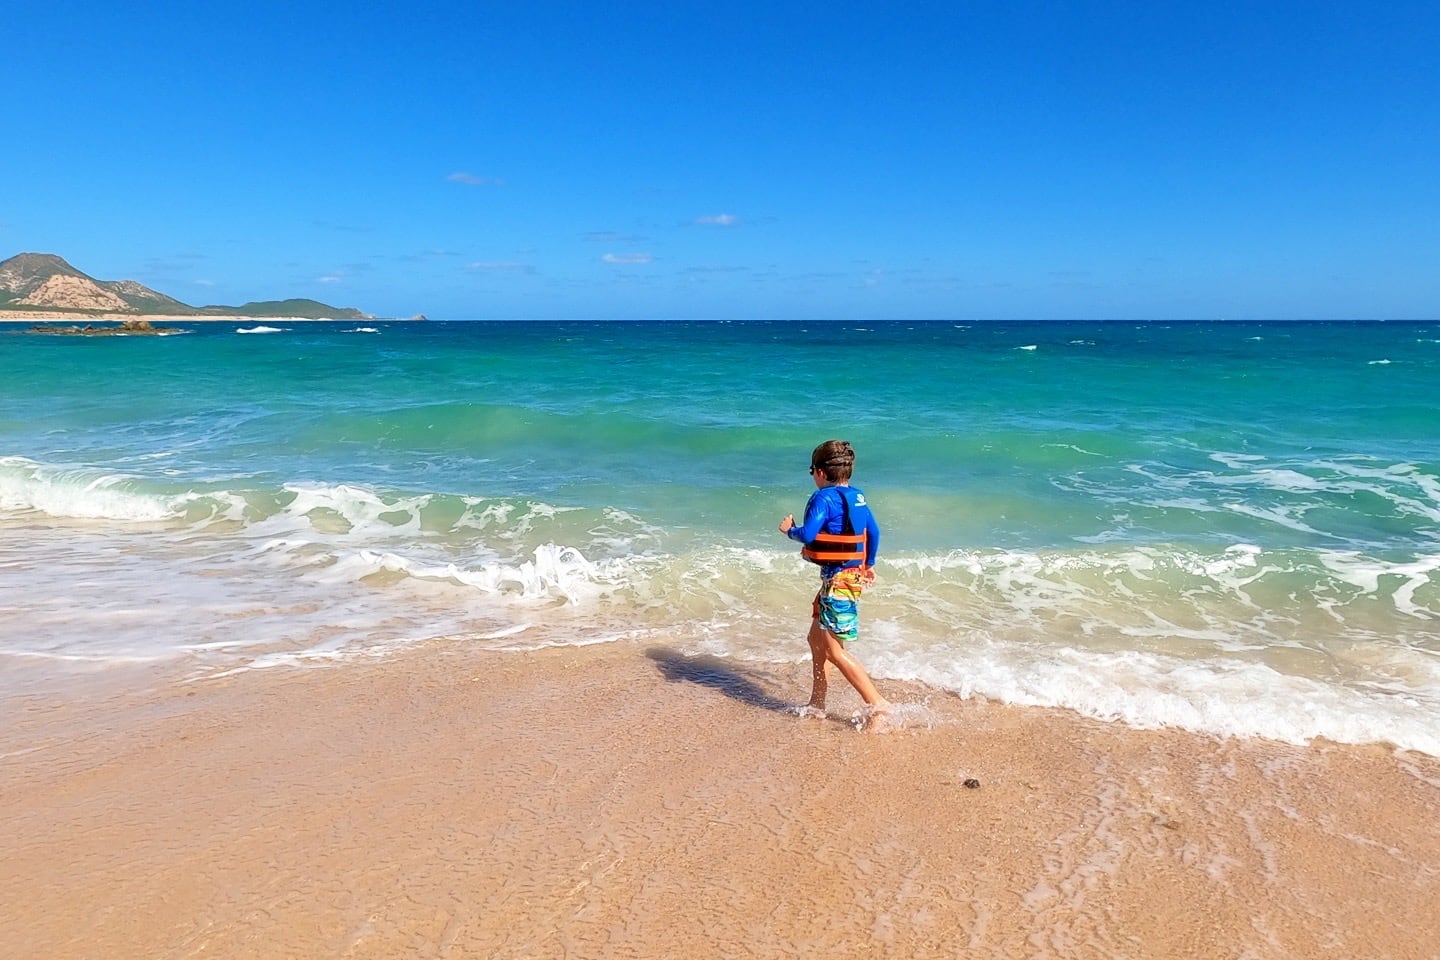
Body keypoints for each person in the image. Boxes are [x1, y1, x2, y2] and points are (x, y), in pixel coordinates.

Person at [778, 439, 891, 726]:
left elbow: (808, 534)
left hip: (838, 582)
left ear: (819, 472)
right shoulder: (859, 497)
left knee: (833, 650)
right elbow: (874, 532)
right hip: (847, 577)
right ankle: (817, 704)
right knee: (816, 639)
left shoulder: (822, 499)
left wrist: (790, 530)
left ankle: (877, 704)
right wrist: (870, 564)